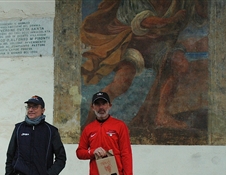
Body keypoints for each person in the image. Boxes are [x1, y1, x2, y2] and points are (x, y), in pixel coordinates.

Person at [81, 0, 208, 129]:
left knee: (179, 64)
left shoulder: (181, 2)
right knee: (122, 82)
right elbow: (143, 22)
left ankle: (161, 115)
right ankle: (90, 121)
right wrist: (171, 20)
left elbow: (199, 15)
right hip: (134, 44)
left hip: (160, 46)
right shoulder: (134, 2)